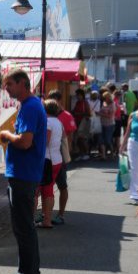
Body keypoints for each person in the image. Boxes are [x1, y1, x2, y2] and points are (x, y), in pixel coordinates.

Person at [0, 69, 47, 274]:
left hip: (23, 174)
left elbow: (25, 142)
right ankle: (27, 273)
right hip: (23, 174)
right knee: (22, 226)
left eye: (9, 84)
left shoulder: (30, 106)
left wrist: (7, 136)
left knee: (24, 226)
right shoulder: (30, 106)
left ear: (22, 84)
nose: (6, 89)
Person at [47, 89, 75, 222]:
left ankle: (61, 214)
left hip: (60, 156)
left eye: (54, 100)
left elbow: (69, 136)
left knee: (62, 186)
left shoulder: (66, 116)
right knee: (47, 187)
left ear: (59, 101)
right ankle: (47, 214)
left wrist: (68, 153)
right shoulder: (47, 116)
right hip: (51, 156)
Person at [37, 99, 65, 228]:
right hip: (56, 159)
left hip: (47, 159)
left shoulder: (48, 122)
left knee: (40, 190)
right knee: (48, 190)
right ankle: (45, 217)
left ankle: (46, 220)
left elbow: (45, 141)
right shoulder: (59, 122)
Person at [71, 88, 92, 161]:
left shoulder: (85, 102)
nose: (77, 96)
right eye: (77, 95)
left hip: (83, 123)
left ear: (82, 95)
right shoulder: (77, 102)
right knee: (78, 139)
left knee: (82, 139)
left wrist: (77, 113)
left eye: (78, 95)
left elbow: (88, 113)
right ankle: (81, 153)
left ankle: (86, 153)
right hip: (77, 122)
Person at [99, 91, 117, 161]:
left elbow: (110, 116)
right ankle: (103, 155)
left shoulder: (112, 104)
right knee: (102, 140)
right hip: (102, 123)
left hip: (109, 124)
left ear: (109, 97)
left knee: (108, 140)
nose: (105, 99)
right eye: (104, 98)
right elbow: (101, 111)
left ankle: (112, 153)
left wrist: (101, 114)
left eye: (106, 97)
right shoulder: (104, 103)